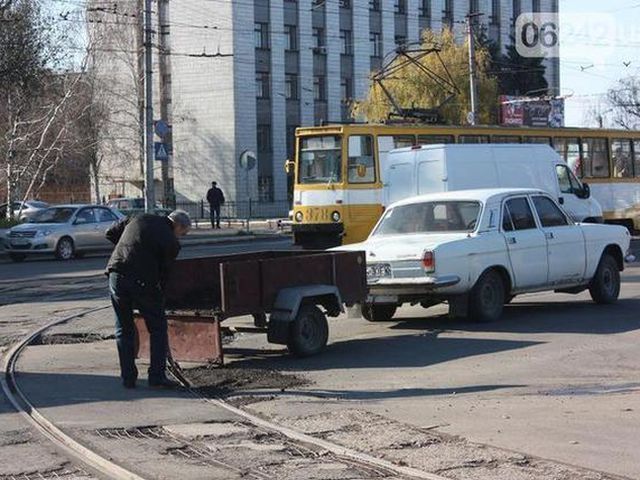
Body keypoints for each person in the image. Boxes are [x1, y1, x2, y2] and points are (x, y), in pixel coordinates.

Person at [105, 210, 191, 389]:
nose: (181, 237)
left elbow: (110, 233)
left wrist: (129, 249)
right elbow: (164, 275)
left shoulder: (138, 216)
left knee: (123, 328)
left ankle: (128, 378)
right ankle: (156, 376)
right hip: (142, 282)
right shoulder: (171, 242)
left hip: (116, 273)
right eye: (183, 233)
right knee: (158, 328)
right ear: (178, 226)